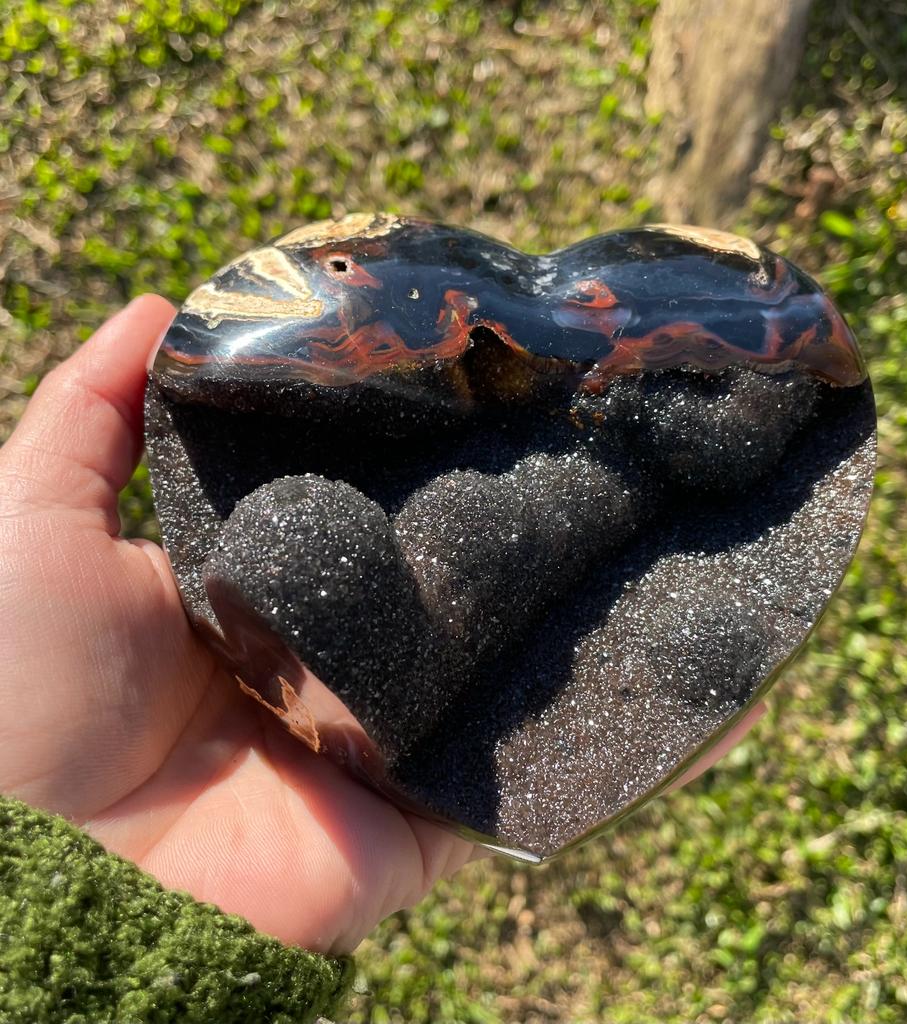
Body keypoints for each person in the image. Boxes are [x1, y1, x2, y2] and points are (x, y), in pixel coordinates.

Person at [0, 296, 765, 1021]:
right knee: (398, 537)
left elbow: (733, 439)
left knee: (461, 535)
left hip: (508, 550)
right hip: (458, 566)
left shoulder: (643, 456)